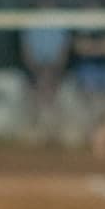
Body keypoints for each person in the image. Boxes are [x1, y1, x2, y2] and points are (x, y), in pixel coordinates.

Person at [20, 9, 70, 143]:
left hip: (55, 70)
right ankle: (36, 129)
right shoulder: (30, 24)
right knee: (40, 85)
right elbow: (27, 54)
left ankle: (55, 130)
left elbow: (63, 55)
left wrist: (52, 72)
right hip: (35, 71)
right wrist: (39, 72)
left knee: (48, 84)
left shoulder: (60, 24)